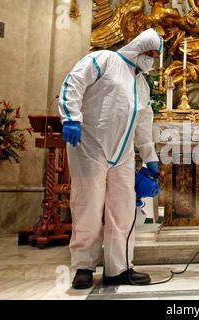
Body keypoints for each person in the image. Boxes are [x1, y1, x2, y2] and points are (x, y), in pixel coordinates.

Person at [58, 28, 163, 289]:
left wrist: (149, 155)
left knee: (123, 210)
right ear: (138, 48)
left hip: (123, 154)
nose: (151, 59)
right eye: (149, 53)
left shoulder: (141, 83)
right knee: (88, 205)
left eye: (155, 55)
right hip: (89, 146)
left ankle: (120, 268)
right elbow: (74, 81)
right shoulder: (104, 59)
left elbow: (143, 123)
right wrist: (71, 117)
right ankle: (84, 266)